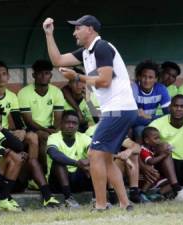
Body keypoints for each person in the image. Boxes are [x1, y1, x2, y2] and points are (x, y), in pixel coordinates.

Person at [43, 15, 138, 210]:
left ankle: (101, 206)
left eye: (77, 28)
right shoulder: (87, 51)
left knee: (94, 154)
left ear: (90, 29)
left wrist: (77, 76)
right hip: (117, 110)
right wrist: (48, 34)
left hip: (118, 108)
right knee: (104, 157)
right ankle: (125, 203)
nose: (74, 32)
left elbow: (105, 81)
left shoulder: (102, 47)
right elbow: (57, 60)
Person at [0, 103, 60, 207]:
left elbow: (17, 146)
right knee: (11, 156)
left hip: (17, 182)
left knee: (30, 159)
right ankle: (5, 198)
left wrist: (21, 133)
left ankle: (47, 196)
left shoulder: (1, 134)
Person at [17, 59, 65, 173]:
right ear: (34, 75)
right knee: (44, 137)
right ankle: (44, 173)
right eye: (40, 73)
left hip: (49, 128)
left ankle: (58, 173)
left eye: (47, 73)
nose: (43, 76)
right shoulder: (24, 92)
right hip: (30, 129)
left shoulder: (56, 92)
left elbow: (58, 118)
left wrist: (56, 130)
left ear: (51, 75)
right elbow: (28, 121)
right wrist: (47, 131)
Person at [46, 110, 92, 208]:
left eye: (74, 123)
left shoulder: (83, 137)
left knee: (95, 161)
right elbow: (54, 154)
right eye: (67, 122)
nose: (71, 125)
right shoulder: (53, 137)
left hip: (79, 181)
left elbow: (96, 152)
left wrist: (89, 161)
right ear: (61, 124)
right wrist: (76, 163)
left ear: (78, 126)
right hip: (58, 183)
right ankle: (68, 199)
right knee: (58, 162)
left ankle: (96, 199)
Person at [148, 95, 183, 185]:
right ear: (169, 107)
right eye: (175, 106)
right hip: (166, 166)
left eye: (182, 106)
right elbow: (143, 149)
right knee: (164, 147)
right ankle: (176, 188)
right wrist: (144, 166)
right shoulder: (156, 125)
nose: (178, 109)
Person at [139, 126, 183, 201]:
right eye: (155, 138)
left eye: (159, 138)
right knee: (155, 174)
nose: (158, 140)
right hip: (145, 177)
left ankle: (158, 195)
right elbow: (151, 161)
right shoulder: (143, 150)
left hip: (155, 178)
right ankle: (142, 193)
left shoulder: (152, 149)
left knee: (172, 182)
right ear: (147, 140)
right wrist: (164, 155)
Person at [132, 60, 171, 142]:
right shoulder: (133, 88)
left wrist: (149, 117)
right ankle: (141, 154)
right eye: (144, 76)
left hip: (152, 122)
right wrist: (156, 118)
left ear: (156, 79)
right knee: (139, 130)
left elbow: (169, 115)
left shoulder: (161, 89)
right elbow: (132, 119)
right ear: (139, 77)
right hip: (137, 124)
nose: (147, 80)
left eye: (150, 77)